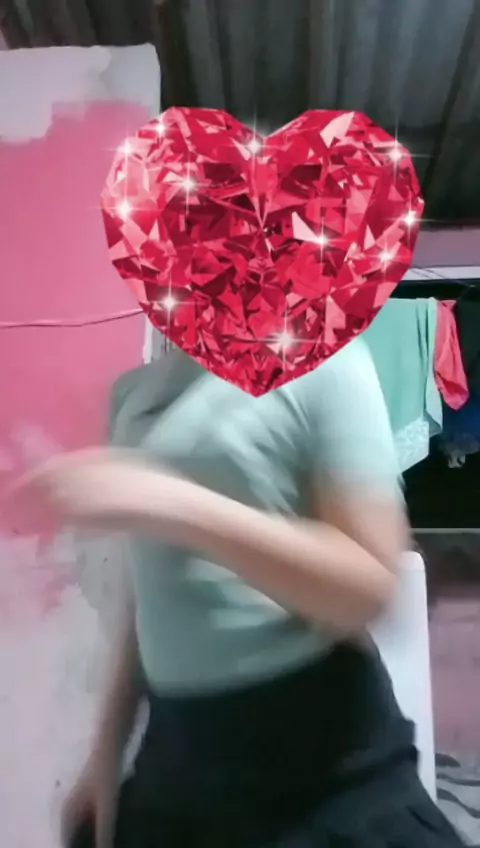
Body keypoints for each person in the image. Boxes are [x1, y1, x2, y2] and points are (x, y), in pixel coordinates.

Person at [19, 338, 465, 847]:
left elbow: (369, 586)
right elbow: (150, 590)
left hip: (318, 750)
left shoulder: (327, 365)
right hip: (181, 752)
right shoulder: (134, 395)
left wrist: (165, 501)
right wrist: (106, 755)